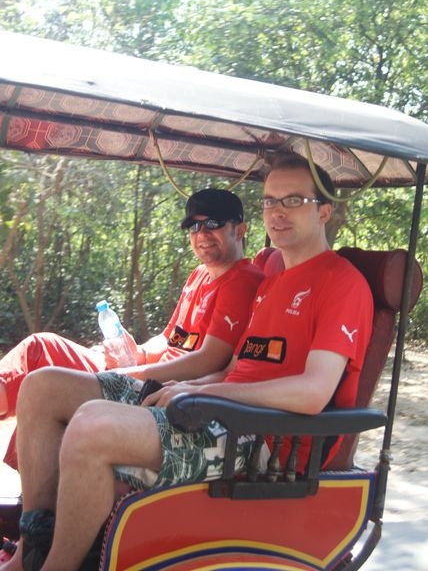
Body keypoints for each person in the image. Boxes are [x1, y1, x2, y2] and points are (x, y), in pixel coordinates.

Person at [3, 154, 374, 571]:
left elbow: (312, 392)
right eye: (270, 201)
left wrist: (208, 393)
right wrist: (191, 388)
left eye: (294, 200)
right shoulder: (272, 283)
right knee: (43, 386)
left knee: (92, 424)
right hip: (216, 411)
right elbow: (234, 369)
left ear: (324, 210)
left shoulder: (340, 283)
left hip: (263, 439)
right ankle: (29, 550)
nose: (277, 212)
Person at [0, 188, 264, 470]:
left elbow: (208, 361)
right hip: (147, 372)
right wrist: (138, 353)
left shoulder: (242, 281)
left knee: (45, 386)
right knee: (41, 347)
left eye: (212, 223)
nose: (202, 234)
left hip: (162, 389)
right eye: (194, 226)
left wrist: (132, 373)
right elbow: (168, 337)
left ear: (240, 230)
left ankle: (41, 490)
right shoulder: (199, 275)